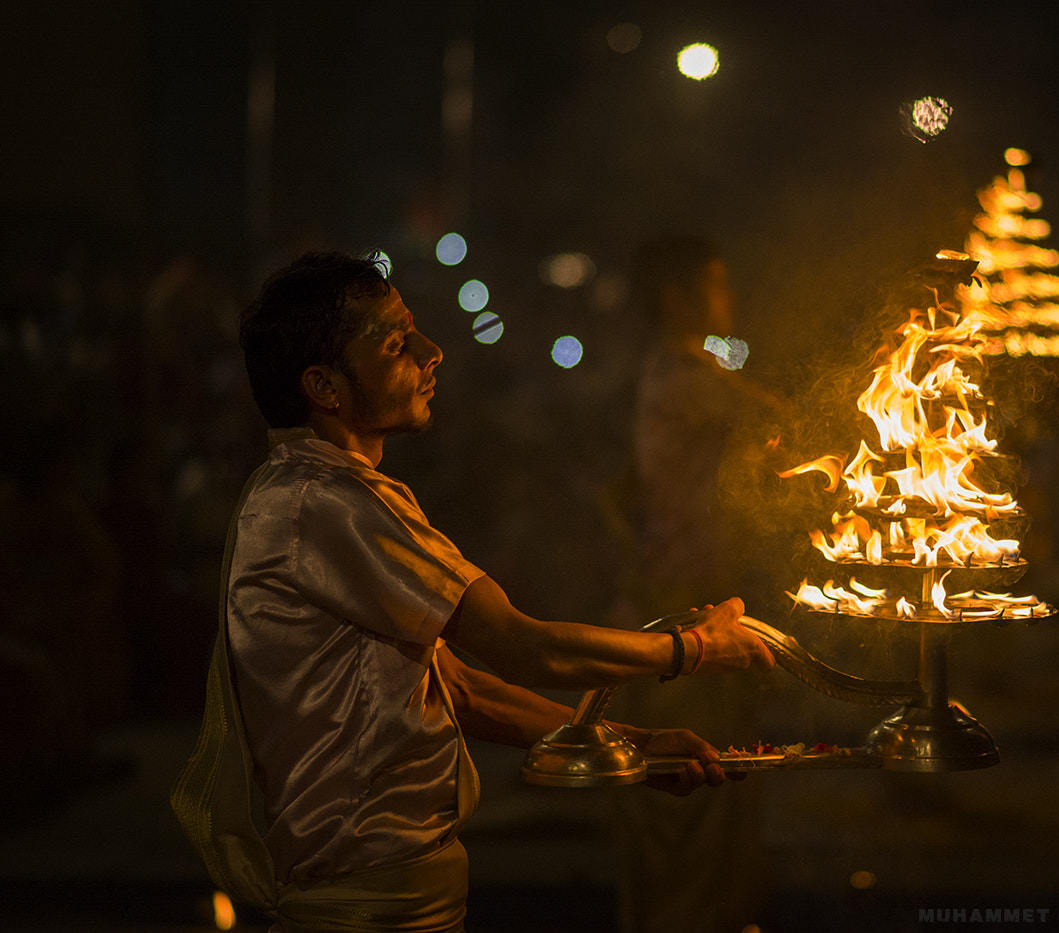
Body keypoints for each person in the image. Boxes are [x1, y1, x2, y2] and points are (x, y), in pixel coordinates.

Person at [171, 250, 774, 933]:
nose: (434, 354)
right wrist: (692, 648)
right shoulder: (325, 500)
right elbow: (522, 647)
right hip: (363, 898)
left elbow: (459, 688)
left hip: (398, 890)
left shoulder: (326, 493)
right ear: (325, 386)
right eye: (398, 344)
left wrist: (633, 742)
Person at [608, 236, 791, 933]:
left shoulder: (685, 370)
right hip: (676, 633)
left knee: (718, 822)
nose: (729, 297)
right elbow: (783, 419)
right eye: (715, 284)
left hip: (696, 624)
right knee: (688, 822)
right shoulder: (682, 377)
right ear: (677, 297)